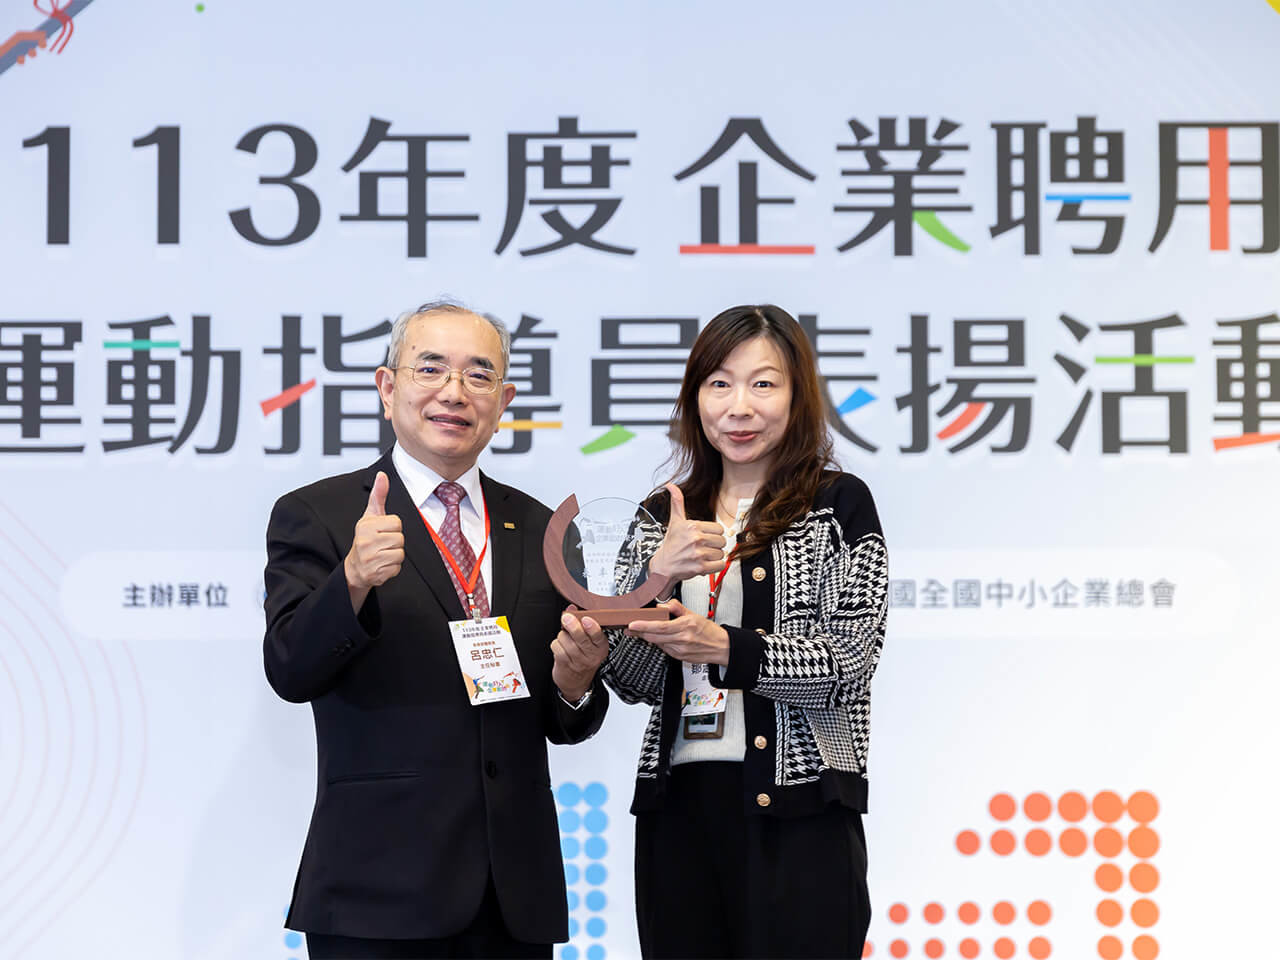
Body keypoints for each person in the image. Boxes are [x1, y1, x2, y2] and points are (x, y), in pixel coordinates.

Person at [263, 300, 610, 960]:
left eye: (479, 375)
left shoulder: (544, 530)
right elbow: (289, 667)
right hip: (375, 889)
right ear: (387, 387)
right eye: (430, 369)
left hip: (513, 896)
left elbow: (565, 719)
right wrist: (352, 581)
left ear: (503, 401)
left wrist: (575, 683)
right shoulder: (321, 514)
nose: (454, 392)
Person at [598, 304, 887, 959]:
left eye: (763, 384)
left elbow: (850, 663)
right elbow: (631, 679)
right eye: (720, 384)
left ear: (798, 395)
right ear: (695, 396)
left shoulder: (837, 505)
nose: (739, 407)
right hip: (679, 809)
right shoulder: (661, 514)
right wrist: (656, 577)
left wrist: (726, 647)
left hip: (802, 810)